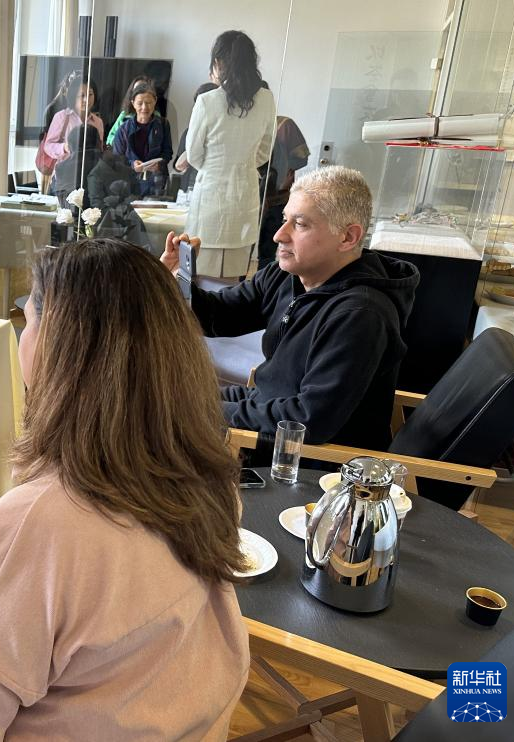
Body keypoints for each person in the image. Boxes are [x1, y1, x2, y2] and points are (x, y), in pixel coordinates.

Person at [0, 240, 250, 741]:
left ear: (61, 350)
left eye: (28, 318)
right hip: (182, 718)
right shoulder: (206, 476)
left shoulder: (37, 527)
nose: (21, 333)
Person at [160, 166, 419, 452]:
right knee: (159, 401)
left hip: (307, 461)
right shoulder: (285, 276)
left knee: (156, 435)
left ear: (348, 237)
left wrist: (204, 412)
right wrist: (174, 279)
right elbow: (216, 317)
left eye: (300, 224)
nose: (279, 235)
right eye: (285, 220)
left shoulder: (361, 315)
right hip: (265, 411)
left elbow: (308, 420)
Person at [179, 31, 276, 277]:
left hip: (210, 196)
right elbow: (265, 150)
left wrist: (216, 167)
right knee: (236, 275)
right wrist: (242, 165)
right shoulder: (266, 99)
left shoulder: (207, 101)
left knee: (199, 272)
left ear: (219, 62)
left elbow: (194, 154)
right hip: (245, 195)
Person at [256, 116, 310, 269]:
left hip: (275, 196)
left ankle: (264, 280)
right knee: (245, 246)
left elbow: (301, 159)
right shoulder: (248, 122)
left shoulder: (284, 125)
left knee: (268, 245)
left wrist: (283, 171)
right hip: (251, 194)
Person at [39, 75, 104, 192]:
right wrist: (64, 147)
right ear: (73, 96)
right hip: (65, 178)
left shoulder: (98, 122)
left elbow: (99, 148)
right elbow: (48, 146)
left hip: (90, 178)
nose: (86, 100)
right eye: (81, 95)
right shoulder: (62, 117)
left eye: (90, 94)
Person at [111, 82, 173, 197]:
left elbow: (168, 152)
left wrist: (159, 164)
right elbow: (117, 158)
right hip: (129, 183)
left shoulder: (163, 124)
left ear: (155, 101)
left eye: (148, 103)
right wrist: (132, 164)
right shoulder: (124, 129)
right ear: (133, 103)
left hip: (156, 182)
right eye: (140, 103)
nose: (144, 107)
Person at [172, 82, 219, 193]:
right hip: (189, 189)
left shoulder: (222, 134)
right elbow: (178, 166)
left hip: (211, 189)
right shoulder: (189, 132)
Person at [52, 124, 102, 209]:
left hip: (71, 215)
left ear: (70, 146)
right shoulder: (105, 163)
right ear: (98, 143)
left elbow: (60, 198)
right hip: (101, 215)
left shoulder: (60, 168)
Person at [104, 75, 160, 147]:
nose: (140, 91)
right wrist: (121, 143)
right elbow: (110, 137)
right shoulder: (125, 114)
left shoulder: (156, 116)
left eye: (143, 87)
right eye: (137, 88)